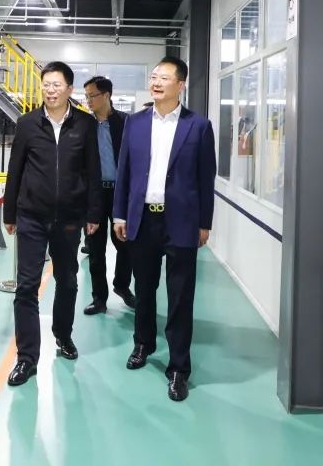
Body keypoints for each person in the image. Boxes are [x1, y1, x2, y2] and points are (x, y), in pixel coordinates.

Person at [113, 56, 216, 402]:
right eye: (154, 76)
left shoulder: (198, 126)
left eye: (164, 78)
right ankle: (143, 344)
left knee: (180, 297)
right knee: (144, 289)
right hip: (143, 219)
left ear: (180, 85)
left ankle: (178, 368)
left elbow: (205, 178)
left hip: (181, 222)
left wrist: (204, 223)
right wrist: (120, 214)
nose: (156, 82)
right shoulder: (135, 122)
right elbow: (125, 171)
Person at [3, 61, 102, 387]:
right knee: (26, 287)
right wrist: (9, 213)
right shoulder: (27, 124)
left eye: (57, 84)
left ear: (69, 89)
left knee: (68, 281)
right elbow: (15, 170)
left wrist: (93, 213)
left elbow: (93, 171)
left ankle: (63, 334)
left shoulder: (85, 124)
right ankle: (27, 358)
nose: (50, 90)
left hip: (70, 219)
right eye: (46, 84)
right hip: (31, 216)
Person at [81, 76, 135, 315]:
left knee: (125, 244)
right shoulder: (84, 124)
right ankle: (99, 298)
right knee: (95, 248)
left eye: (92, 95)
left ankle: (122, 286)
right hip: (93, 195)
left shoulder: (126, 122)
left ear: (107, 95)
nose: (88, 100)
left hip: (120, 193)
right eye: (86, 96)